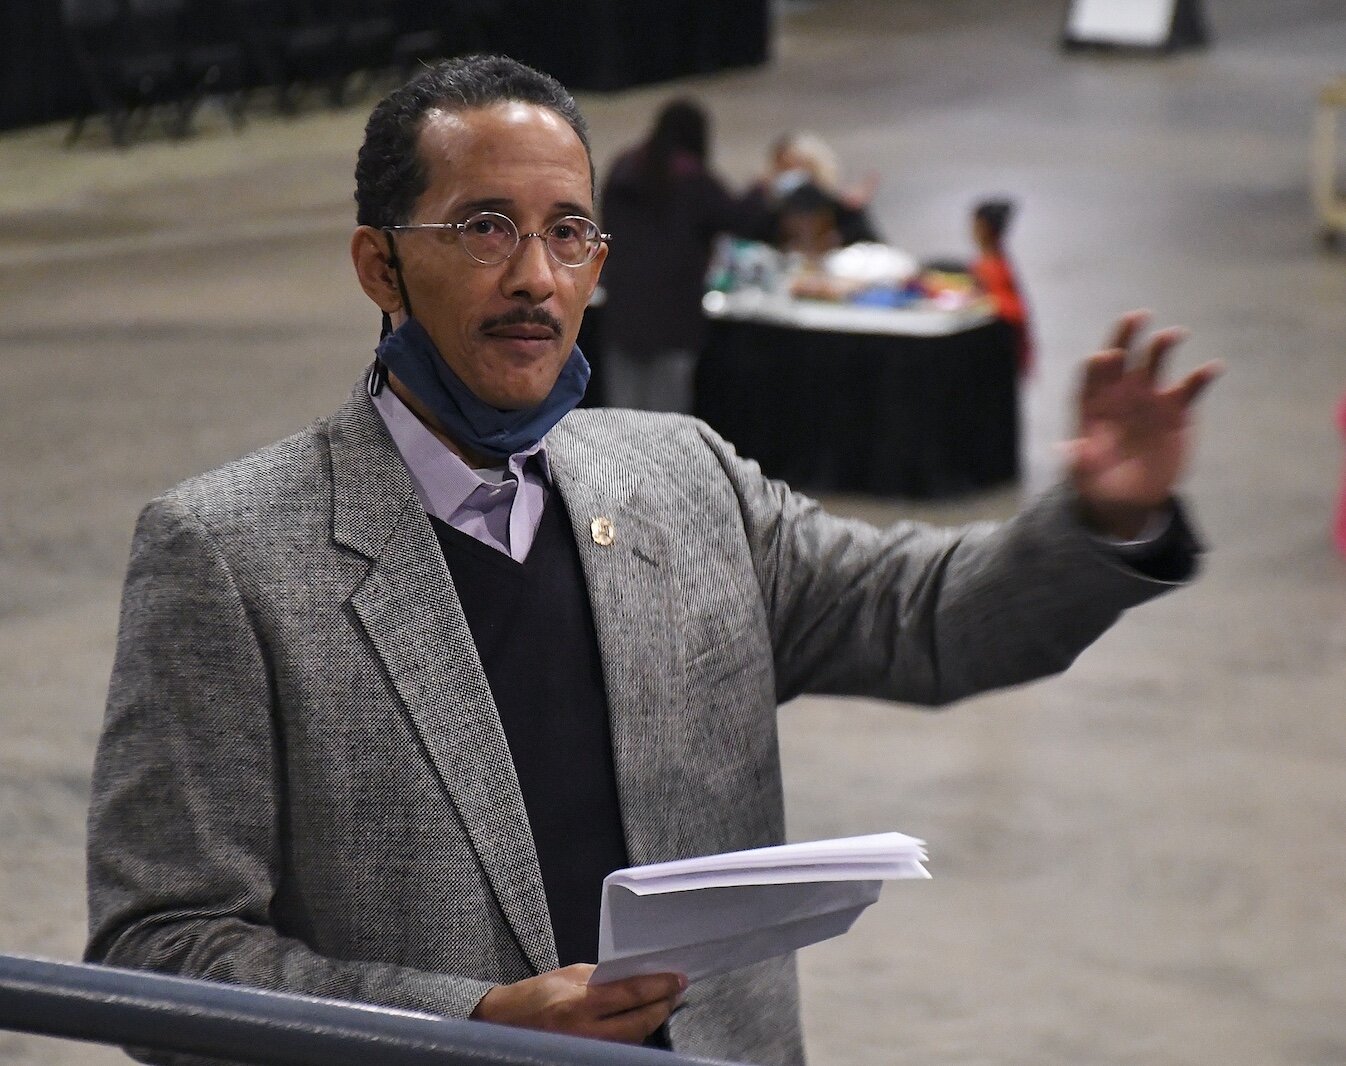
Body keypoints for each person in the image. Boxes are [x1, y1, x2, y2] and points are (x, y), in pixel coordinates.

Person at [85, 54, 1219, 1066]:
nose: (536, 276)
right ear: (378, 266)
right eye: (485, 227)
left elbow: (926, 619)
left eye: (567, 232)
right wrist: (465, 1022)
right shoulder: (229, 555)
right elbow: (162, 953)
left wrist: (1094, 519)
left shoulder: (685, 479)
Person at [598, 98, 763, 414]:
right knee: (665, 429)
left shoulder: (623, 170)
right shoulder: (693, 181)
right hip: (673, 323)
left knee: (619, 422)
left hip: (622, 317)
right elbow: (741, 220)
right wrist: (763, 188)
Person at [971, 197, 1034, 377]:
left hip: (1001, 356)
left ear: (983, 227)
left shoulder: (991, 267)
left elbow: (1012, 310)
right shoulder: (998, 261)